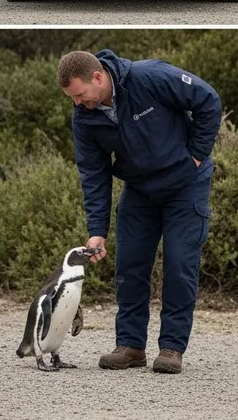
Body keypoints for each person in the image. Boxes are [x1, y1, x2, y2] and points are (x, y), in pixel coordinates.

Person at [57, 49, 221, 374]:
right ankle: (131, 346)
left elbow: (208, 100)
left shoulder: (149, 77)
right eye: (72, 98)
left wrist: (197, 155)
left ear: (98, 77)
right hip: (140, 189)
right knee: (129, 265)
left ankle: (171, 348)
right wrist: (97, 231)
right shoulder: (85, 117)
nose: (77, 103)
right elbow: (93, 173)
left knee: (179, 264)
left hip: (185, 182)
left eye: (80, 95)